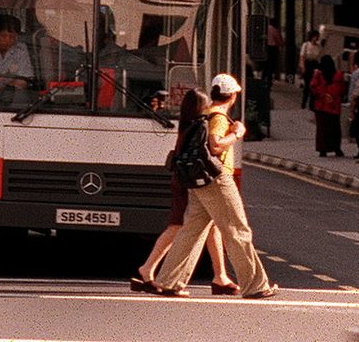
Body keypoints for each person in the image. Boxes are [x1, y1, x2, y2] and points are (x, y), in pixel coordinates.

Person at [152, 74, 274, 300]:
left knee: (191, 231)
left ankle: (169, 281)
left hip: (200, 181)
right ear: (233, 96)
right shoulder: (218, 116)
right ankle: (255, 285)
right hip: (217, 179)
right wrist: (237, 133)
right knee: (237, 230)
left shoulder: (206, 113)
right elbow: (215, 145)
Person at [131, 89, 235, 294]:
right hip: (188, 182)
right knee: (177, 226)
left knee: (211, 225)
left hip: (183, 179)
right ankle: (147, 269)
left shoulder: (188, 123)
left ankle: (220, 276)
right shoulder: (199, 125)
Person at [309, 52, 346, 156]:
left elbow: (313, 87)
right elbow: (342, 89)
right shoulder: (338, 74)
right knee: (334, 128)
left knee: (322, 129)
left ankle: (322, 149)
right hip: (334, 106)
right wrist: (332, 96)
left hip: (321, 106)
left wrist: (323, 95)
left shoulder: (318, 75)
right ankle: (336, 148)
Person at [298, 29, 322, 107]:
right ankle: (303, 103)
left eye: (317, 36)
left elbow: (319, 57)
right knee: (307, 85)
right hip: (308, 64)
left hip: (315, 65)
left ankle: (312, 104)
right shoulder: (306, 45)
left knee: (314, 84)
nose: (316, 38)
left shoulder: (319, 46)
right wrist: (302, 67)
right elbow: (302, 56)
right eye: (315, 36)